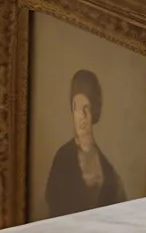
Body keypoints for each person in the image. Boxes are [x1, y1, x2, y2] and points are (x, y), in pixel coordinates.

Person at [44, 68, 127, 217]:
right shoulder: (62, 158)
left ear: (94, 111)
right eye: (77, 108)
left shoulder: (107, 169)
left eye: (86, 107)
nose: (82, 116)